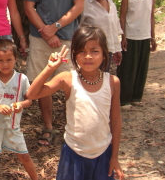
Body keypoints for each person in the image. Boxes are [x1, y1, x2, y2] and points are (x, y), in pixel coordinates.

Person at [22, 0, 91, 146]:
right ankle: (48, 127)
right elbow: (28, 7)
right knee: (43, 84)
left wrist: (56, 27)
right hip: (40, 38)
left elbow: (79, 5)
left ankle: (74, 126)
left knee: (72, 82)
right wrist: (46, 30)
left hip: (69, 37)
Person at [26, 26, 124, 180]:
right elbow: (31, 94)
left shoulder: (112, 82)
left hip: (103, 152)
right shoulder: (67, 79)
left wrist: (114, 157)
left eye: (94, 51)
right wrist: (49, 69)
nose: (88, 56)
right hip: (73, 153)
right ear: (74, 54)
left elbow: (116, 121)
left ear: (104, 54)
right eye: (81, 51)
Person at [0, 40, 37, 180]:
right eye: (0, 60)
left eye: (9, 60)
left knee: (24, 155)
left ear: (16, 59)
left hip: (12, 126)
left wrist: (20, 105)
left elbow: (29, 100)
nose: (5, 64)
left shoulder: (21, 79)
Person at [118, 0, 156, 110]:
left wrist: (153, 37)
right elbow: (122, 15)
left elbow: (151, 16)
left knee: (141, 68)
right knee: (127, 68)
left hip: (145, 36)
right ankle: (124, 99)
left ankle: (136, 97)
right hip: (131, 37)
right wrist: (123, 36)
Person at [80, 0, 123, 70]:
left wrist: (117, 49)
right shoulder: (85, 5)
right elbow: (78, 27)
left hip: (108, 51)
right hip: (91, 51)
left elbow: (114, 29)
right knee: (92, 79)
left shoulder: (111, 4)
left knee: (104, 78)